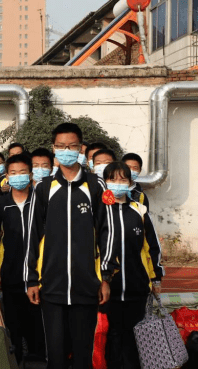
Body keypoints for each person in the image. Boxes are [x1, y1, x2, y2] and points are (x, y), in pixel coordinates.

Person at [24, 123, 118, 369]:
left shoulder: (97, 187)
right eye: (61, 146)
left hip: (87, 285)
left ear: (80, 148)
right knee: (55, 355)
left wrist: (105, 277)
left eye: (72, 146)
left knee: (83, 354)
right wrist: (31, 279)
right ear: (54, 148)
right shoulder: (43, 189)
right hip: (51, 286)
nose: (66, 150)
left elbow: (108, 233)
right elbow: (32, 237)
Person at [102, 161, 163, 369]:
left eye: (122, 179)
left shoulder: (140, 211)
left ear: (130, 182)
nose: (117, 183)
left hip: (137, 287)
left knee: (134, 336)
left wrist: (156, 278)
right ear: (105, 182)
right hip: (108, 288)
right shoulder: (99, 212)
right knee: (112, 335)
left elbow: (151, 247)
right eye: (112, 179)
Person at [0, 154, 45, 364]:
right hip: (10, 274)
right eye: (13, 173)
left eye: (23, 172)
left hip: (38, 274)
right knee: (14, 323)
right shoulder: (0, 205)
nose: (18, 177)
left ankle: (38, 359)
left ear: (30, 175)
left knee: (37, 323)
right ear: (6, 176)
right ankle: (16, 361)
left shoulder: (40, 202)